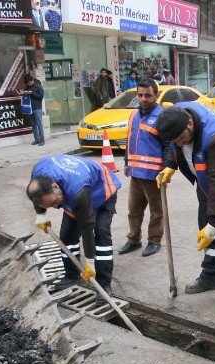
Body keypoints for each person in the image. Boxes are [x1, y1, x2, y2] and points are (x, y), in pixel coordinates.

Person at [155, 101, 215, 315]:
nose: (180, 144)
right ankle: (210, 276)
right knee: (208, 233)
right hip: (206, 182)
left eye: (182, 139)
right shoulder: (177, 117)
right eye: (175, 141)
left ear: (190, 123)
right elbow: (175, 146)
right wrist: (170, 166)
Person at [27, 155, 121, 298]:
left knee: (101, 236)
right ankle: (72, 275)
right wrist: (41, 215)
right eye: (50, 206)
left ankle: (103, 284)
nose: (56, 207)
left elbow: (87, 227)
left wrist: (89, 261)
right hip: (74, 193)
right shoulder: (37, 179)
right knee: (67, 236)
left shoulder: (77, 190)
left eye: (53, 202)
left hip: (103, 191)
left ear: (55, 186)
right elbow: (37, 197)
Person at [117, 78, 168, 258]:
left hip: (154, 175)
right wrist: (126, 162)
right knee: (134, 210)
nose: (144, 99)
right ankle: (133, 240)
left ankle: (154, 241)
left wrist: (167, 168)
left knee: (156, 211)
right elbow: (130, 140)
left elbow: (168, 146)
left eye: (148, 95)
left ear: (157, 95)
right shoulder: (133, 115)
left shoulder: (162, 116)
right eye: (140, 95)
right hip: (135, 174)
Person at [21, 74, 45, 146]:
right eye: (27, 83)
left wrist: (31, 93)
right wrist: (24, 93)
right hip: (30, 108)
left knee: (39, 124)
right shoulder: (27, 87)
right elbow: (25, 95)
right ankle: (36, 139)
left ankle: (42, 140)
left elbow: (41, 96)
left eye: (29, 82)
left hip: (37, 108)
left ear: (32, 80)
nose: (28, 84)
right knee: (33, 125)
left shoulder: (38, 86)